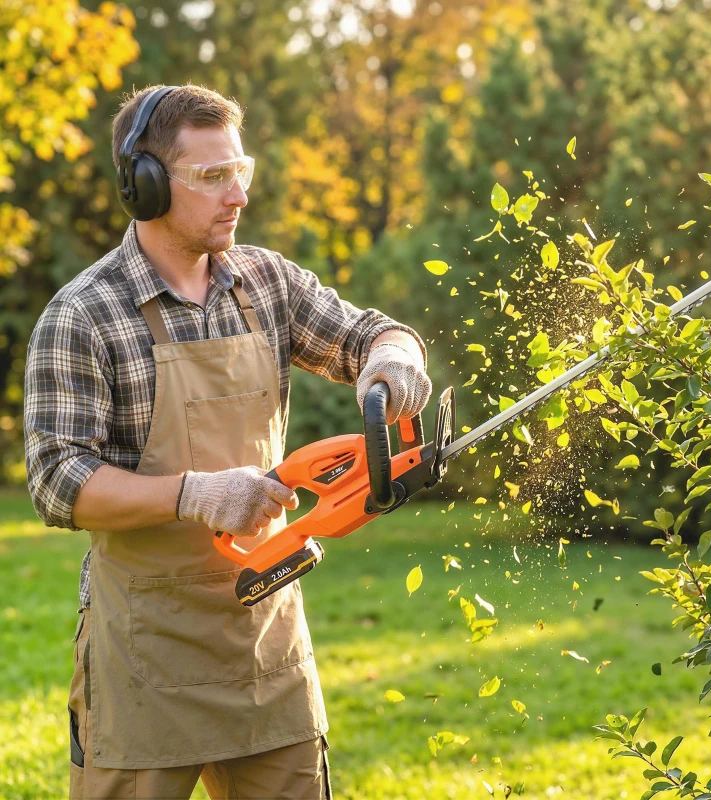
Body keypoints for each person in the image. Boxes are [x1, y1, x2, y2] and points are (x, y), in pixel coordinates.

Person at [23, 83, 432, 800]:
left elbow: (372, 333)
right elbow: (57, 480)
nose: (236, 194)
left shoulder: (265, 282)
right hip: (146, 652)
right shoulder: (84, 315)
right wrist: (198, 494)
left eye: (240, 171)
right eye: (212, 177)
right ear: (145, 185)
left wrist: (396, 359)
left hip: (264, 644)